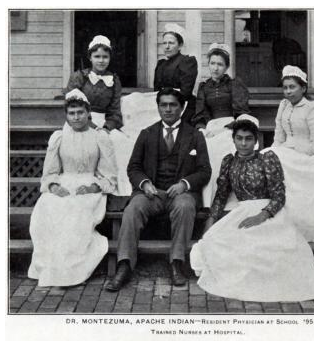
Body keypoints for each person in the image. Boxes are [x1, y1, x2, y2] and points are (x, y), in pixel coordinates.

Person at [190, 120, 314, 302]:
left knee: (265, 247)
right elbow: (221, 195)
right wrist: (210, 222)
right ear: (233, 140)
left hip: (270, 213)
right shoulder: (229, 161)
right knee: (213, 241)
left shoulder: (267, 158)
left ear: (255, 141)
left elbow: (279, 195)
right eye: (239, 139)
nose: (243, 144)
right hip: (242, 211)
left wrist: (262, 215)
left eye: (248, 139)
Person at [105, 88, 211, 291]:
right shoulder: (147, 134)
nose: (168, 109)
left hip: (180, 194)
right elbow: (133, 167)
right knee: (133, 208)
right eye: (164, 105)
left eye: (173, 105)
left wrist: (184, 184)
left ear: (182, 108)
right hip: (151, 194)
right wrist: (144, 183)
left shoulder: (195, 136)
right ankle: (124, 265)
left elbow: (204, 170)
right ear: (158, 108)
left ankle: (176, 262)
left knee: (186, 206)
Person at [28, 89, 117, 287]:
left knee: (76, 211)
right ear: (67, 116)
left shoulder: (99, 137)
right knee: (48, 207)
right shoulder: (58, 137)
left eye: (80, 112)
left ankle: (70, 270)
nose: (76, 117)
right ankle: (52, 267)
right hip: (64, 183)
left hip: (89, 187)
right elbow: (49, 173)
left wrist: (94, 187)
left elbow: (109, 176)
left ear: (88, 113)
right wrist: (54, 187)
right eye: (72, 113)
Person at [261, 65, 314, 244]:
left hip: (310, 158)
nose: (288, 92)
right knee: (264, 156)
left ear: (303, 88)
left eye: (292, 87)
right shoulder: (283, 105)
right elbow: (279, 136)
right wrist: (274, 151)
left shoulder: (312, 108)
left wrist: (291, 152)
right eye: (285, 88)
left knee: (281, 163)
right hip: (286, 151)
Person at [65, 35, 131, 196]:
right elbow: (71, 106)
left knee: (121, 142)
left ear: (110, 58)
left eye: (105, 57)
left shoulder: (114, 79)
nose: (101, 60)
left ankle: (119, 191)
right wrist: (89, 124)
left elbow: (115, 110)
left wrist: (107, 127)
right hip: (79, 120)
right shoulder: (79, 77)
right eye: (97, 56)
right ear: (90, 57)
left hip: (105, 124)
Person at [191, 43, 254, 207]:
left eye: (220, 64)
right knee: (206, 151)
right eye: (213, 63)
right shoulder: (204, 88)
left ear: (226, 67)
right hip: (210, 129)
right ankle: (209, 203)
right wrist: (202, 130)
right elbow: (199, 116)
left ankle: (230, 203)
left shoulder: (233, 84)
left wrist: (226, 128)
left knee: (225, 151)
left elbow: (241, 114)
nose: (216, 68)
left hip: (230, 127)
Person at [154, 23, 198, 124]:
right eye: (164, 43)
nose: (167, 47)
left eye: (171, 43)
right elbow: (156, 91)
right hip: (165, 104)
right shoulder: (161, 64)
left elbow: (185, 92)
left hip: (183, 105)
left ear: (180, 45)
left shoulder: (187, 61)